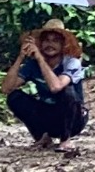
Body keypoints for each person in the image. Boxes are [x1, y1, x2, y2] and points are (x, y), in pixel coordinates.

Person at [5, 22, 88, 151]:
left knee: (66, 91)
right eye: (46, 41)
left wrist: (40, 59)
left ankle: (65, 140)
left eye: (55, 41)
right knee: (14, 97)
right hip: (48, 117)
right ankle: (41, 137)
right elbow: (6, 88)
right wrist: (21, 57)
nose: (50, 45)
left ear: (63, 44)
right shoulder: (32, 65)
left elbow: (56, 87)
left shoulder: (72, 62)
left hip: (73, 120)